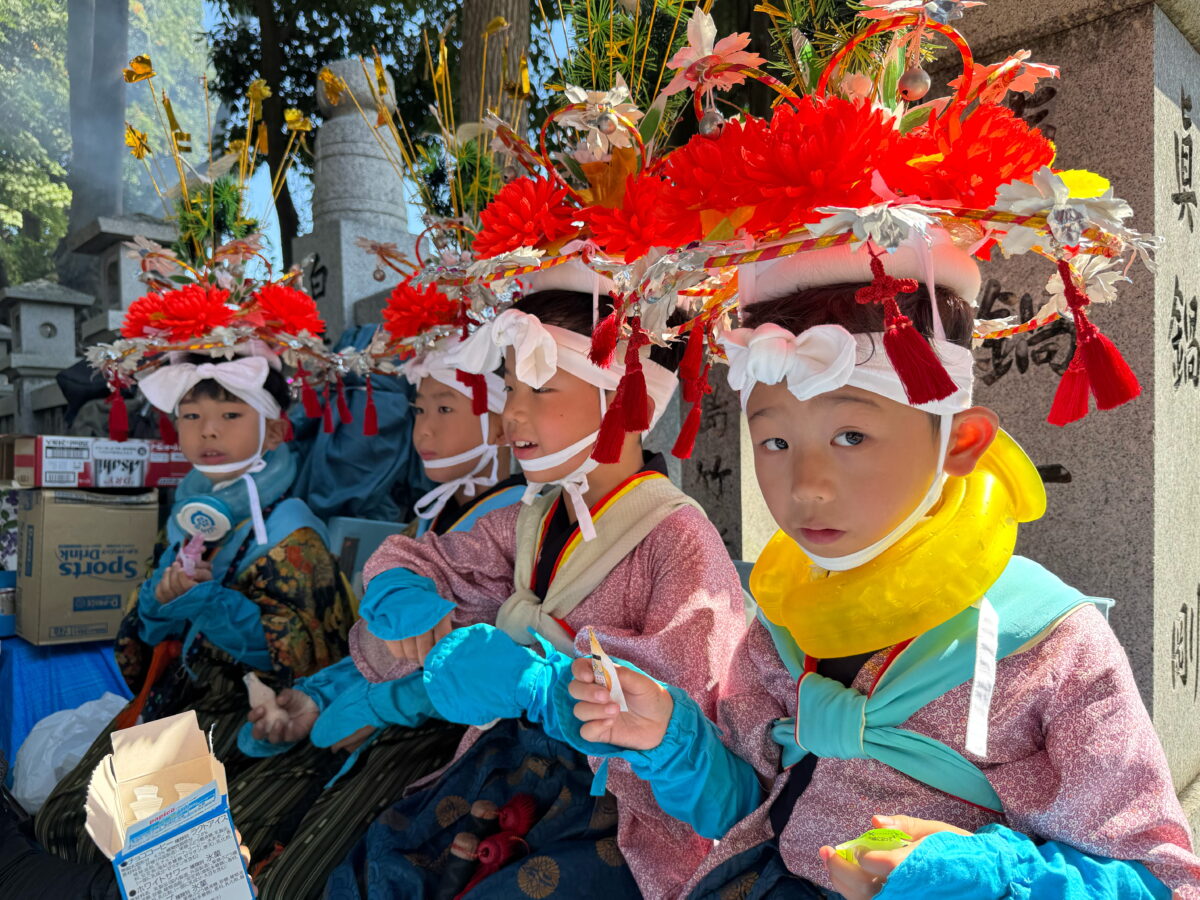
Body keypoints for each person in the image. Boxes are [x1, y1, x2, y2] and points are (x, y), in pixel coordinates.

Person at [552, 6, 1200, 896]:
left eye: (852, 434)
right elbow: (755, 802)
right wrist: (668, 736)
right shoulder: (783, 618)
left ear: (963, 442)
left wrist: (976, 876)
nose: (805, 484)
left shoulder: (1052, 647)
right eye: (774, 440)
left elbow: (1161, 879)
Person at [324, 282, 747, 900]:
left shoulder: (678, 541)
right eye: (511, 389)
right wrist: (407, 595)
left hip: (611, 813)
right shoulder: (530, 519)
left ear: (626, 398)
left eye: (539, 390)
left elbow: (690, 737)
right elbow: (427, 561)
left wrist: (541, 687)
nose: (510, 415)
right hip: (501, 770)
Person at [35, 281, 357, 867]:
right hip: (181, 701)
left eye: (231, 414)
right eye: (192, 415)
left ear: (277, 429)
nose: (208, 431)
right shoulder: (190, 509)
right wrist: (159, 605)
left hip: (255, 720)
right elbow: (143, 640)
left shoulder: (292, 531)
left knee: (168, 856)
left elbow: (309, 663)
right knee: (69, 823)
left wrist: (208, 602)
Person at [237, 299, 526, 899]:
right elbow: (383, 639)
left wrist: (374, 707)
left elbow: (472, 657)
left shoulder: (519, 516)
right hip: (379, 710)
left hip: (447, 731)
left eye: (445, 409)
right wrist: (319, 694)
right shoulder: (443, 511)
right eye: (419, 409)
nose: (422, 430)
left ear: (501, 419)